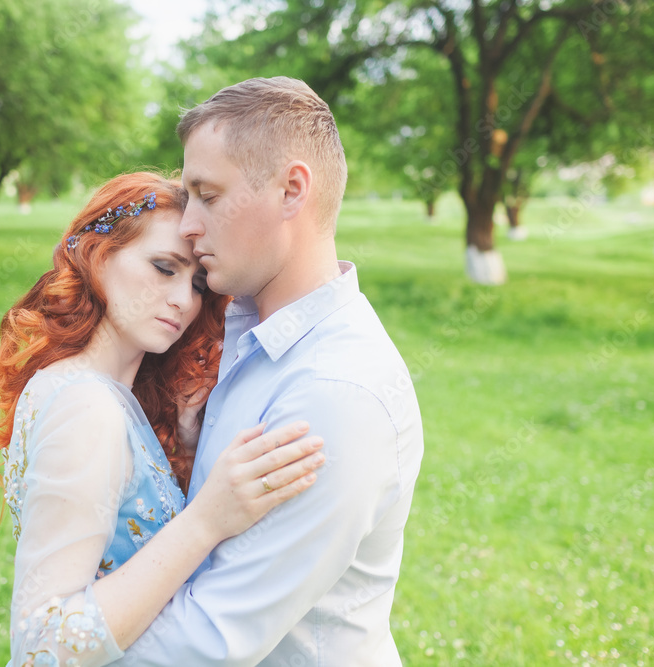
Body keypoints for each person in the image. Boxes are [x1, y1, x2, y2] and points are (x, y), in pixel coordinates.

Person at [110, 77, 425, 666]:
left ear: (291, 190)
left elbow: (210, 642)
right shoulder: (237, 329)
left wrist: (60, 644)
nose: (187, 225)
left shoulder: (334, 394)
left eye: (207, 194)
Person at [0, 172, 327, 667]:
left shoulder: (89, 388)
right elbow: (44, 645)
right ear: (97, 255)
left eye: (198, 282)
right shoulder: (86, 407)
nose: (184, 300)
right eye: (164, 268)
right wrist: (206, 521)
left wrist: (185, 443)